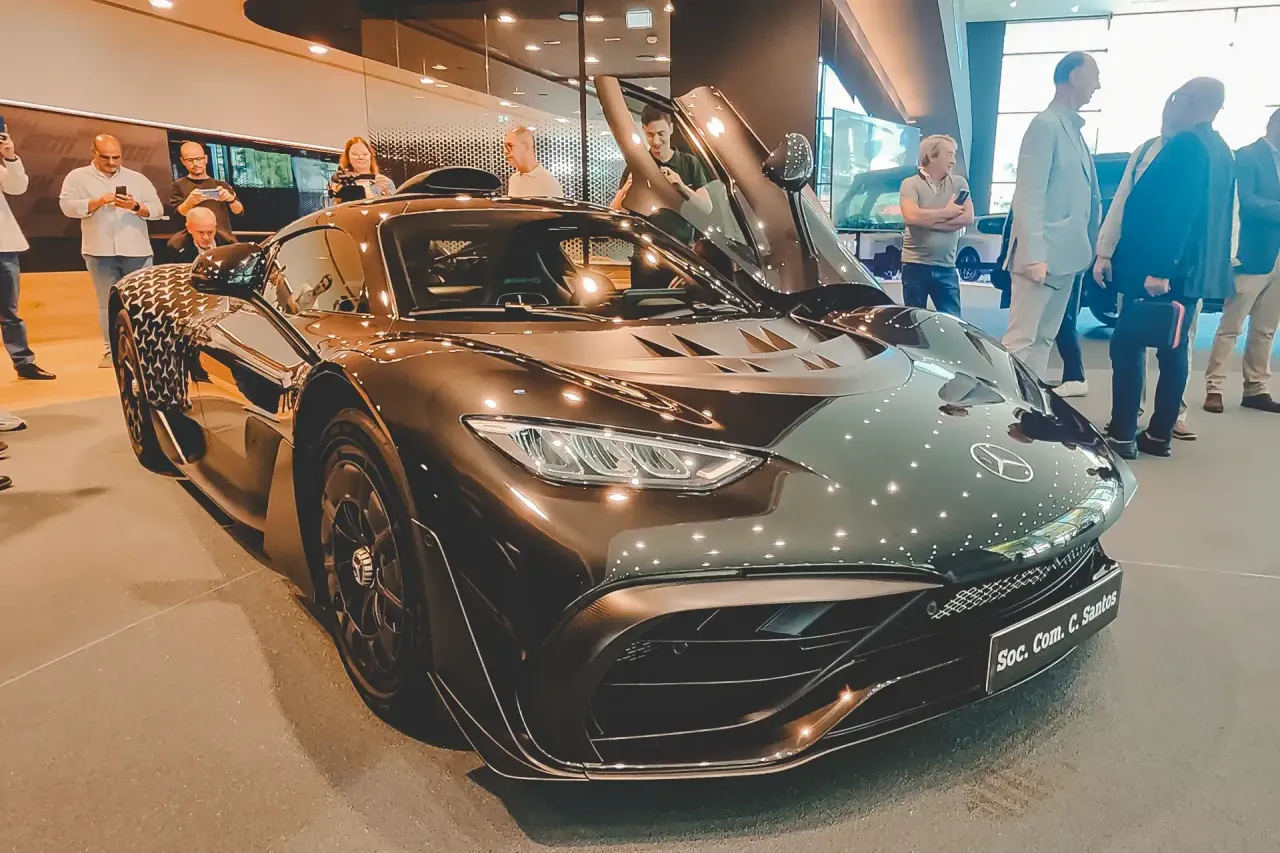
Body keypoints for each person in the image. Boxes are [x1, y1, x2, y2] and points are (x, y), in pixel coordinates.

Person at [1107, 78, 1235, 459]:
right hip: (1191, 272)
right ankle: (1159, 434)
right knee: (1174, 350)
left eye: (1177, 97)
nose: (1172, 104)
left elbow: (1178, 212)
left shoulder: (1186, 146)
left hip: (1162, 270)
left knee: (1127, 344)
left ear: (1191, 102)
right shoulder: (1221, 150)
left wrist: (1160, 268)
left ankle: (1123, 434)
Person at [1093, 95, 1204, 439]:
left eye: (1177, 107)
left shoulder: (1197, 151)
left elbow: (1186, 216)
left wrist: (1163, 269)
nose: (1169, 114)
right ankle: (1140, 426)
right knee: (1136, 346)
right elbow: (1122, 202)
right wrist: (1104, 252)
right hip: (1141, 268)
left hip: (1169, 271)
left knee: (1167, 348)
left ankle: (1147, 430)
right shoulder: (1146, 151)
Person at [1001, 51, 1102, 381]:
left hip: (1068, 257)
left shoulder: (1073, 129)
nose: (1097, 85)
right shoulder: (1045, 125)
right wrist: (1033, 255)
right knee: (1021, 340)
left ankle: (1032, 403)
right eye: (1094, 76)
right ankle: (1008, 404)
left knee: (1044, 338)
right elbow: (1029, 194)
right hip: (1041, 258)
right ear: (1074, 77)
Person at [59, 134, 163, 368]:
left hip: (136, 249)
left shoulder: (137, 178)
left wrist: (135, 206)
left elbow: (157, 210)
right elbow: (66, 207)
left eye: (116, 157)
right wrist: (97, 202)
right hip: (99, 250)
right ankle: (112, 351)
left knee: (143, 302)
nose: (112, 162)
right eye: (106, 157)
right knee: (107, 303)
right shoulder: (77, 177)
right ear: (93, 153)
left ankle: (146, 349)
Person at [1203, 108, 1280, 415]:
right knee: (1231, 325)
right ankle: (1215, 387)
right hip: (1251, 254)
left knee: (1266, 328)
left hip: (1278, 258)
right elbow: (1247, 202)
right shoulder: (1248, 156)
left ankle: (1256, 388)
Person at [610, 104, 713, 244]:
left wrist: (681, 186)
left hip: (682, 249)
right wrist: (627, 188)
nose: (656, 141)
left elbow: (706, 208)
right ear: (643, 130)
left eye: (661, 133)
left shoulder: (689, 163)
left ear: (671, 129)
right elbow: (614, 211)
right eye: (650, 135)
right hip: (646, 248)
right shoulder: (637, 165)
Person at [0, 128, 55, 380]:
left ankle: (23, 363)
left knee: (9, 311)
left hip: (4, 247)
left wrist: (10, 156)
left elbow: (17, 187)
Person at [898, 134, 973, 316]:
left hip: (947, 266)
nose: (953, 161)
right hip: (915, 265)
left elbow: (967, 218)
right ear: (932, 156)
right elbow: (911, 216)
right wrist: (946, 213)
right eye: (949, 154)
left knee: (953, 321)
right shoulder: (910, 184)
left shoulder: (959, 183)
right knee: (915, 320)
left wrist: (927, 221)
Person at [169, 141, 242, 244]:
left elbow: (239, 211)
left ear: (206, 159)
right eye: (190, 160)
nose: (195, 163)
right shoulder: (178, 185)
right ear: (183, 161)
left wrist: (230, 199)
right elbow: (177, 216)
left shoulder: (221, 185)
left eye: (199, 159)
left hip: (223, 240)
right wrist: (189, 202)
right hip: (194, 242)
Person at [328, 137, 396, 202]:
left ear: (370, 156)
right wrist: (337, 195)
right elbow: (336, 207)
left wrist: (386, 193)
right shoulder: (342, 182)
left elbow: (394, 207)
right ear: (348, 158)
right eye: (355, 154)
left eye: (365, 154)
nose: (361, 157)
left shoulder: (385, 182)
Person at [503, 127, 564, 198]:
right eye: (505, 147)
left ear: (527, 147)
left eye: (510, 146)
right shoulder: (513, 180)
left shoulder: (548, 183)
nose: (505, 151)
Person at [163, 207, 228, 264]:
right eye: (200, 232)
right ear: (189, 228)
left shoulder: (228, 243)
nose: (206, 237)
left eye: (210, 232)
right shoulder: (176, 247)